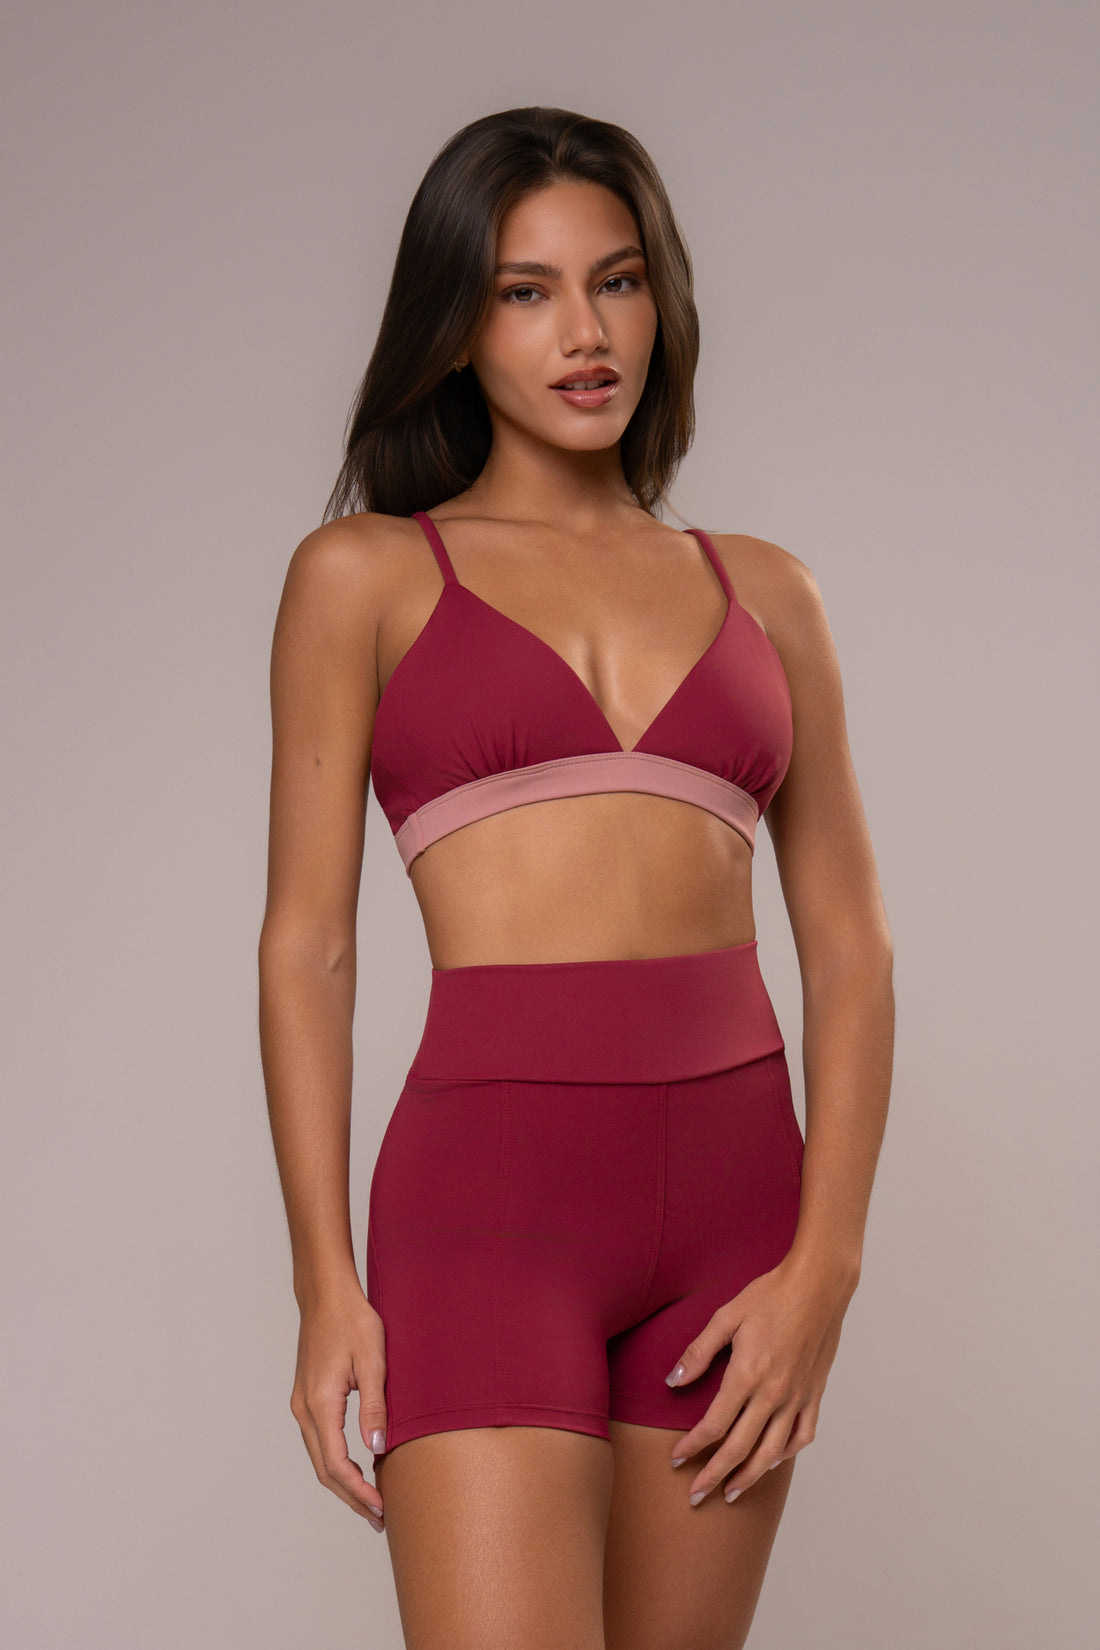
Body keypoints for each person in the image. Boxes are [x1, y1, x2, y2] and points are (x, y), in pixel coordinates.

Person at [258, 105, 894, 1650]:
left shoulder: (770, 591)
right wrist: (326, 1281)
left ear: (661, 297)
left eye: (616, 281)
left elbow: (851, 950)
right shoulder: (364, 576)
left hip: (740, 1220)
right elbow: (309, 948)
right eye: (525, 291)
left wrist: (825, 1266)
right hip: (490, 1209)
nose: (584, 333)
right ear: (456, 321)